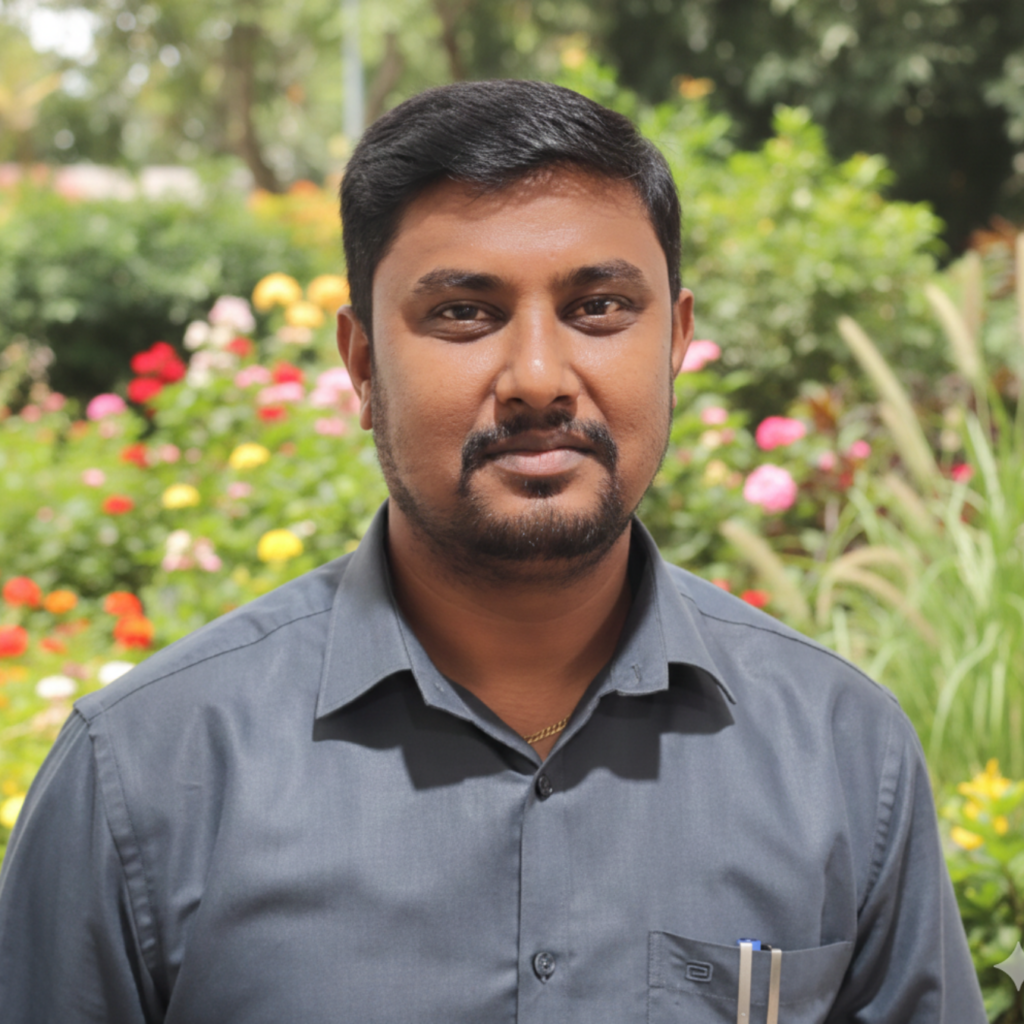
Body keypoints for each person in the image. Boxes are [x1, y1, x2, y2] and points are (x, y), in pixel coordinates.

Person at [0, 79, 984, 1024]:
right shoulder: (140, 773)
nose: (538, 378)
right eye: (464, 312)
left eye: (599, 306)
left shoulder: (843, 752)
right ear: (360, 361)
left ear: (674, 341)